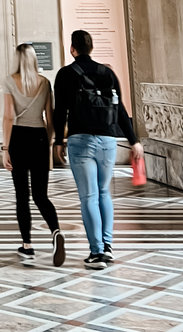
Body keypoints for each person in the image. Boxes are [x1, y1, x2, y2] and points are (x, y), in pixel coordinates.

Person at [53, 29, 143, 270]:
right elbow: (120, 109)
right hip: (107, 140)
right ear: (91, 48)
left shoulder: (65, 74)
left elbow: (59, 110)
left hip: (80, 139)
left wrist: (57, 142)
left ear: (72, 49)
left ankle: (97, 252)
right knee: (104, 193)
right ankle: (108, 245)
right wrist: (134, 140)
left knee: (89, 196)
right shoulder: (107, 73)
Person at [2, 43, 65, 266]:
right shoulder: (45, 82)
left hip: (18, 137)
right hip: (39, 136)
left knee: (22, 195)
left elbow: (9, 116)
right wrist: (47, 143)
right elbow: (50, 116)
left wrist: (5, 148)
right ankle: (56, 231)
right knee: (41, 194)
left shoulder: (10, 81)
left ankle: (27, 245)